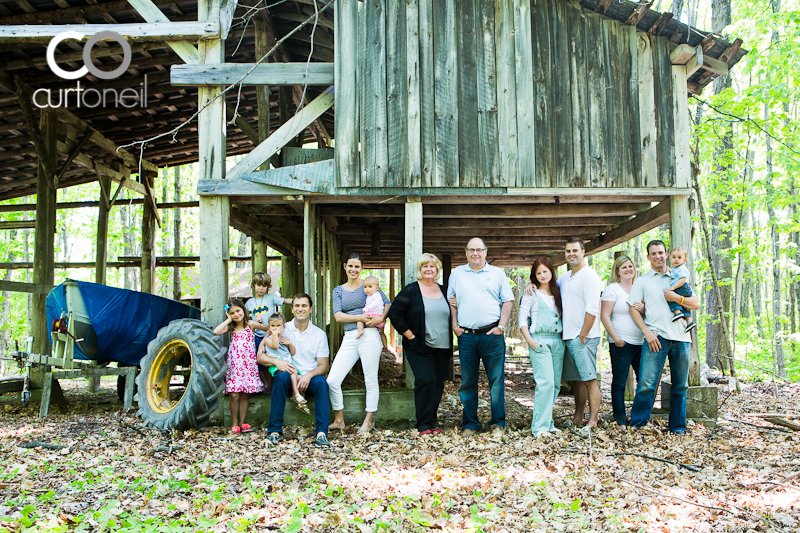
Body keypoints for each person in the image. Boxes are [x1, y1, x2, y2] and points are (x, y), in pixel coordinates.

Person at [628, 240, 700, 434]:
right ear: (648, 256)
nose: (658, 256)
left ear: (666, 254)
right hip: (655, 337)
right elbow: (632, 309)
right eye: (653, 253)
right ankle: (638, 425)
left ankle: (677, 428)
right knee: (646, 383)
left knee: (680, 385)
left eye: (661, 252)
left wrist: (677, 298)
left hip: (681, 338)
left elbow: (695, 303)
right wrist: (647, 332)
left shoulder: (679, 275)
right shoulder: (642, 281)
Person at [447, 237, 514, 436]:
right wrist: (454, 326)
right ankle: (470, 424)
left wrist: (501, 326)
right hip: (466, 336)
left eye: (479, 249)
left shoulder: (496, 273)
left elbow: (508, 301)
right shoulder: (457, 273)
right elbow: (452, 302)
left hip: (491, 335)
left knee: (496, 381)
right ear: (466, 252)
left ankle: (498, 423)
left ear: (486, 252)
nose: (475, 253)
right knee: (468, 381)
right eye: (471, 250)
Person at [387, 253, 451, 436]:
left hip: (443, 347)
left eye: (432, 266)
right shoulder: (411, 290)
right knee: (425, 381)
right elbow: (394, 314)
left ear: (437, 270)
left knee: (438, 384)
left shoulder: (444, 291)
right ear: (420, 270)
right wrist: (410, 335)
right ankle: (423, 425)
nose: (428, 269)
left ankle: (432, 422)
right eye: (425, 266)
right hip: (419, 346)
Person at [327, 253, 391, 433]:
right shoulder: (338, 291)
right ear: (345, 267)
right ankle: (339, 420)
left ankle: (368, 421)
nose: (353, 270)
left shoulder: (369, 285)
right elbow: (338, 316)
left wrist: (380, 319)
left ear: (362, 268)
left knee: (370, 379)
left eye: (357, 267)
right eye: (350, 266)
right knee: (332, 380)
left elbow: (387, 304)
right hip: (349, 337)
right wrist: (359, 317)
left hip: (370, 335)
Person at [258, 293, 331, 447]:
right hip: (287, 378)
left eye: (304, 305)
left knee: (322, 383)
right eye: (297, 305)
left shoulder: (319, 334)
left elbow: (324, 365)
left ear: (310, 309)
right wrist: (276, 361)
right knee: (281, 377)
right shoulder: (281, 328)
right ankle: (274, 431)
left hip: (308, 380)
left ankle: (321, 433)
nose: (300, 309)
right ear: (292, 309)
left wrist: (308, 375)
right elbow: (260, 357)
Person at [558, 237, 602, 431]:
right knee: (577, 380)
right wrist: (531, 285)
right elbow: (548, 287)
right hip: (568, 336)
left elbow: (593, 307)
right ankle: (578, 417)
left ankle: (593, 420)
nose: (571, 254)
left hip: (584, 336)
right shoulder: (565, 278)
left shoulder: (589, 276)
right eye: (568, 251)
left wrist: (583, 335)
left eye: (575, 250)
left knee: (589, 378)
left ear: (583, 252)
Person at [518, 258, 565, 438]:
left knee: (554, 385)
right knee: (544, 383)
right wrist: (530, 341)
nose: (542, 275)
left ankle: (548, 422)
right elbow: (522, 319)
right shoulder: (531, 294)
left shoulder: (558, 292)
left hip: (557, 341)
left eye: (545, 271)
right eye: (538, 273)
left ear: (551, 272)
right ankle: (539, 427)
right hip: (539, 341)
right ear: (534, 276)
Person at [600, 255, 644, 429]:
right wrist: (616, 338)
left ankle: (638, 418)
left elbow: (649, 312)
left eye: (630, 266)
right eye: (624, 267)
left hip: (641, 342)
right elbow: (605, 316)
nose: (628, 270)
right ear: (617, 271)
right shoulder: (612, 289)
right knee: (619, 381)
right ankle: (619, 419)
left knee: (644, 381)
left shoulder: (639, 288)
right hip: (621, 343)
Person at [213, 298, 261, 435]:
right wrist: (228, 320)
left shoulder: (250, 325)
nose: (236, 315)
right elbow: (216, 331)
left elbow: (268, 329)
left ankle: (243, 422)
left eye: (238, 311)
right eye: (232, 313)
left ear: (243, 310)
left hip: (248, 365)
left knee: (245, 395)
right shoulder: (231, 327)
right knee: (234, 395)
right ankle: (234, 423)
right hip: (235, 366)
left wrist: (262, 345)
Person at [246, 272, 292, 392]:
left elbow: (285, 300)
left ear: (267, 287)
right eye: (258, 285)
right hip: (257, 336)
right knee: (258, 359)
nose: (261, 288)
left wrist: (297, 301)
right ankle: (264, 383)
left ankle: (272, 383)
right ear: (253, 286)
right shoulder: (249, 303)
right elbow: (245, 318)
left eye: (264, 286)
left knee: (273, 356)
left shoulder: (271, 298)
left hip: (272, 335)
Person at [261, 313, 309, 415]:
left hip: (287, 363)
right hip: (276, 365)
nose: (275, 328)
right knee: (293, 371)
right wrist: (274, 335)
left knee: (300, 378)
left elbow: (293, 352)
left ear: (283, 326)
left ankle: (301, 401)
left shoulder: (284, 338)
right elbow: (275, 346)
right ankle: (295, 394)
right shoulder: (268, 339)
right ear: (269, 327)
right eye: (273, 326)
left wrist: (290, 344)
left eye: (278, 325)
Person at [667, 247, 696, 333]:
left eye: (679, 258)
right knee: (684, 306)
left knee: (670, 296)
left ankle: (677, 312)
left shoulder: (682, 268)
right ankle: (689, 322)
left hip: (682, 287)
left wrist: (673, 288)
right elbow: (676, 275)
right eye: (674, 257)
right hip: (683, 288)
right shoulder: (677, 269)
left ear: (684, 260)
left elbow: (683, 280)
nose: (676, 259)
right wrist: (670, 270)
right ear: (670, 258)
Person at [358, 275, 388, 349]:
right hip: (376, 315)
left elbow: (376, 303)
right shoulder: (370, 295)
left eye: (370, 287)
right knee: (381, 332)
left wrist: (366, 308)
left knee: (359, 319)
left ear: (377, 288)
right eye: (365, 287)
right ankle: (385, 346)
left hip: (376, 315)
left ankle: (360, 330)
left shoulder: (376, 295)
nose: (367, 289)